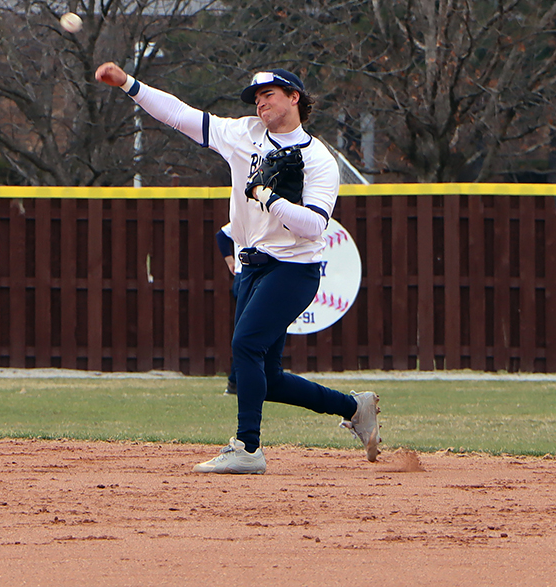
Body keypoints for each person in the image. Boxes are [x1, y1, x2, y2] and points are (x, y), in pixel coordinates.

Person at [95, 62, 381, 474]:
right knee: (269, 376)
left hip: (294, 269)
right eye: (256, 97)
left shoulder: (318, 159)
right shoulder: (243, 135)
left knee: (245, 347)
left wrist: (270, 197)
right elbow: (180, 115)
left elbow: (315, 225)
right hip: (253, 268)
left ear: (294, 97)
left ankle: (248, 448)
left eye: (269, 94)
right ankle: (354, 407)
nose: (261, 102)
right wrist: (128, 84)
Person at [215, 223, 239, 396]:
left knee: (246, 333)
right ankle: (235, 381)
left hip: (244, 275)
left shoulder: (244, 215)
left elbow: (221, 235)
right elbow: (221, 235)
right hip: (251, 275)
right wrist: (231, 261)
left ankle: (235, 381)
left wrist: (230, 261)